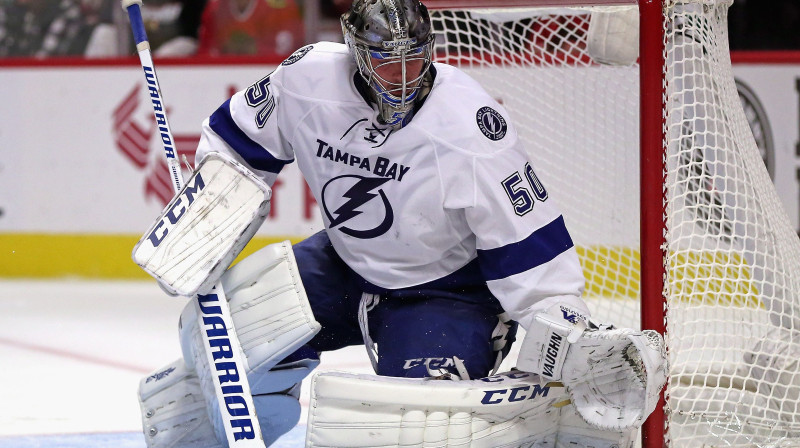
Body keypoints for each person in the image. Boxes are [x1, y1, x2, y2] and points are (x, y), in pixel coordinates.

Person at [136, 0, 666, 446]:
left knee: (411, 430)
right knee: (214, 337)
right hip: (342, 265)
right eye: (389, 63)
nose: (406, 78)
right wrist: (208, 210)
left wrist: (566, 336)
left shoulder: (469, 130)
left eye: (416, 60)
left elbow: (529, 251)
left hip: (446, 292)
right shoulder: (306, 79)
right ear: (357, 54)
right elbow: (237, 144)